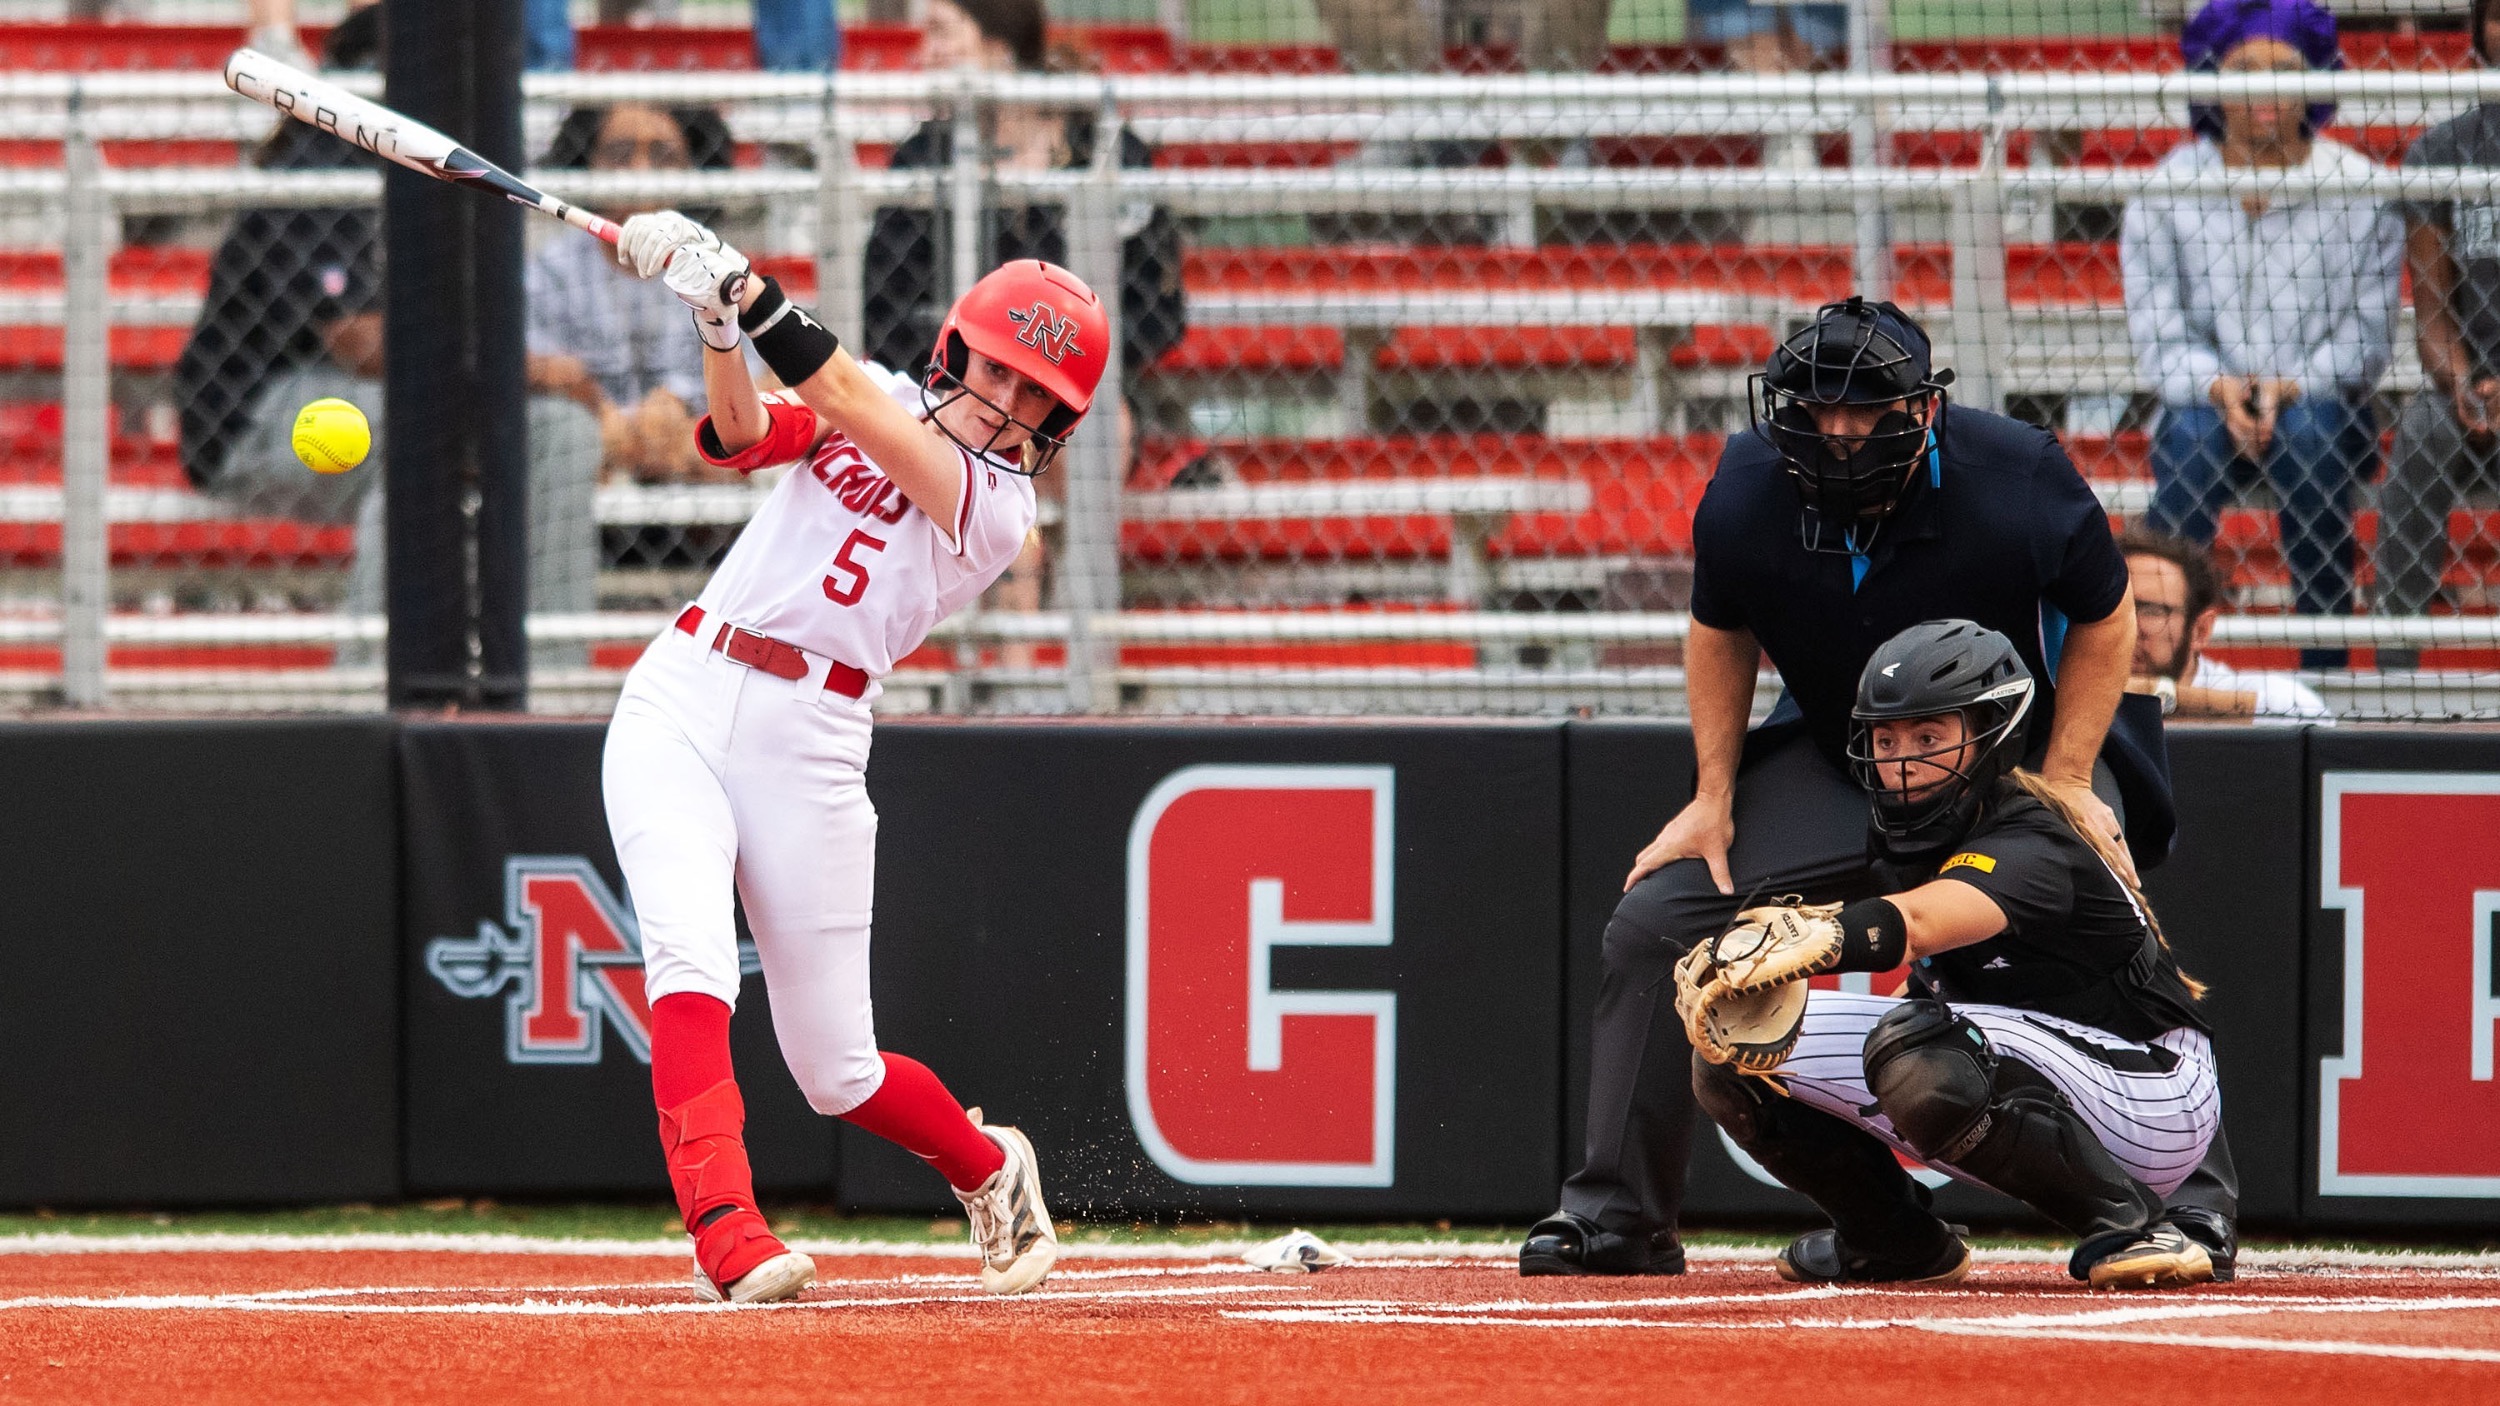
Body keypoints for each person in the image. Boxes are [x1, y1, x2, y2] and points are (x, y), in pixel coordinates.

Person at [1520, 295, 2244, 1283]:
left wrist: (2071, 776)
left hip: (2016, 753)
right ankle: (1623, 1219)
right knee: (1657, 918)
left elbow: (2107, 613)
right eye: (1817, 409)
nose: (1839, 431)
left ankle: (2191, 1203)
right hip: (1843, 756)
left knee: (2083, 904)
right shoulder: (1743, 488)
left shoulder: (2017, 475)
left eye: (1864, 408)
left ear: (1923, 408)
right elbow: (1717, 627)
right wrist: (1712, 792)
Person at [600, 206, 1098, 1301]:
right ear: (956, 350)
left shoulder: (998, 508)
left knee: (838, 1070)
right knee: (688, 959)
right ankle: (725, 1229)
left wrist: (747, 288)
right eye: (997, 372)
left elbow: (840, 396)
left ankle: (986, 1165)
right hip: (683, 690)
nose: (1006, 405)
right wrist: (716, 321)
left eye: (1036, 397)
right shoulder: (870, 388)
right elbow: (742, 435)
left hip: (812, 738)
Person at [1686, 621, 2223, 1290]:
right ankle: (1895, 1241)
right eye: (1886, 740)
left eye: (1929, 737)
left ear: (1994, 733)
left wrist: (1809, 936)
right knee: (1733, 1046)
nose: (1902, 762)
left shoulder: (2034, 835)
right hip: (2036, 1067)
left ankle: (2137, 1224)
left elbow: (1917, 923)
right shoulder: (1899, 841)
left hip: (2158, 1098)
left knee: (1919, 1051)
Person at [2120, 0, 2401, 669]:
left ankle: (2326, 664)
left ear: (2316, 76)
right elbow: (2158, 333)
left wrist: (2290, 386)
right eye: (2245, 68)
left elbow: (2367, 337)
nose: (2266, 88)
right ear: (2212, 79)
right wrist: (2220, 386)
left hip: (2325, 407)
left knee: (2309, 434)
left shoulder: (2361, 188)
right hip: (2202, 403)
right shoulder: (2165, 190)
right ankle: (2151, 660)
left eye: (2285, 68)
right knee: (2192, 439)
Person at [865, 0, 1184, 402]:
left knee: (1096, 421)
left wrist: (1049, 372)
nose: (926, 54)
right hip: (947, 385)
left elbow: (1156, 308)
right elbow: (882, 309)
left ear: (999, 46)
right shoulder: (923, 155)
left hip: (1078, 390)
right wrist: (972, 375)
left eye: (941, 31)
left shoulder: (1100, 149)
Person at [2376, 0, 2500, 664]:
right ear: (2479, 30)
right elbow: (2432, 313)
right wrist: (2462, 382)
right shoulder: (2443, 150)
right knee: (2424, 426)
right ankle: (2394, 660)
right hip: (2474, 381)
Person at [532, 101, 738, 483]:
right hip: (590, 447)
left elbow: (763, 379)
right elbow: (531, 363)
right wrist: (597, 407)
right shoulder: (553, 269)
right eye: (620, 155)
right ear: (589, 163)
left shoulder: (720, 267)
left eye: (662, 156)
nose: (640, 173)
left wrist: (678, 406)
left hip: (691, 447)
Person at [2123, 527, 2334, 724]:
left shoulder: (2272, 697)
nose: (2128, 627)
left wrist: (2160, 695)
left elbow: (2302, 711)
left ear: (2200, 631)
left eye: (2151, 611)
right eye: (2115, 609)